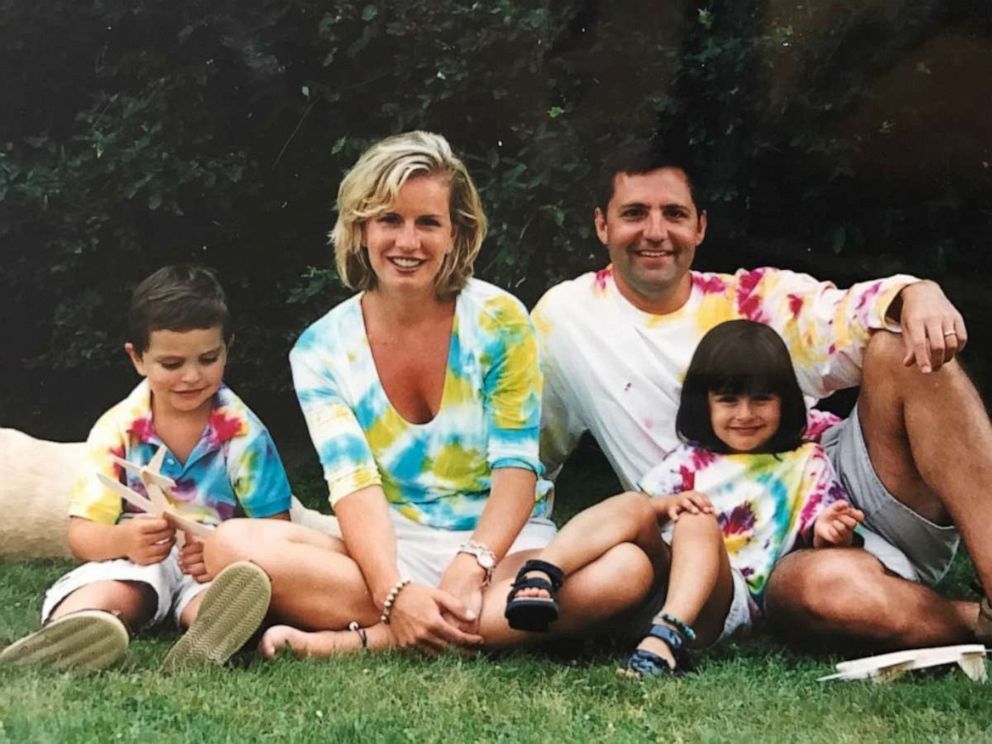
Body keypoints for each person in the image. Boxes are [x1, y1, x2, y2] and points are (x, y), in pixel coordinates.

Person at [204, 131, 652, 659]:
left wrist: (472, 564)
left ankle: (368, 642)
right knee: (228, 546)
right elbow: (354, 486)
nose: (408, 243)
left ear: (456, 232)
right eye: (390, 220)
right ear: (360, 229)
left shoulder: (500, 321)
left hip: (502, 549)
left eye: (428, 222)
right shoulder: (320, 350)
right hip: (390, 548)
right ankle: (431, 627)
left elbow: (516, 468)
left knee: (626, 569)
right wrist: (393, 592)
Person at [533, 139, 992, 650]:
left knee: (900, 340)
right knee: (826, 591)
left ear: (700, 226)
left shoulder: (752, 299)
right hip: (744, 558)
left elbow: (848, 313)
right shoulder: (568, 319)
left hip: (833, 491)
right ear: (602, 225)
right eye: (635, 213)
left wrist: (916, 292)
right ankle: (975, 620)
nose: (655, 232)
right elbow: (526, 450)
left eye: (675, 214)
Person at [506, 320, 863, 675]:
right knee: (634, 504)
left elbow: (819, 534)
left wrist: (830, 532)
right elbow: (644, 514)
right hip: (656, 578)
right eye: (728, 400)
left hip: (722, 603)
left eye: (761, 400)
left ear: (784, 401)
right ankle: (541, 574)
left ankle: (665, 640)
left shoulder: (803, 463)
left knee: (696, 519)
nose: (744, 414)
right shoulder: (691, 457)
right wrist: (664, 505)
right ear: (704, 403)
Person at [0, 265, 294, 672]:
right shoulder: (118, 428)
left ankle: (212, 634)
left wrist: (224, 552)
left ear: (228, 347)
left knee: (222, 596)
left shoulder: (243, 433)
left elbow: (277, 530)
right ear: (137, 358)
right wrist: (124, 540)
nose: (192, 376)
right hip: (139, 558)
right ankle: (78, 626)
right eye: (172, 364)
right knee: (122, 590)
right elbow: (81, 535)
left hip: (211, 563)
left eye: (208, 359)